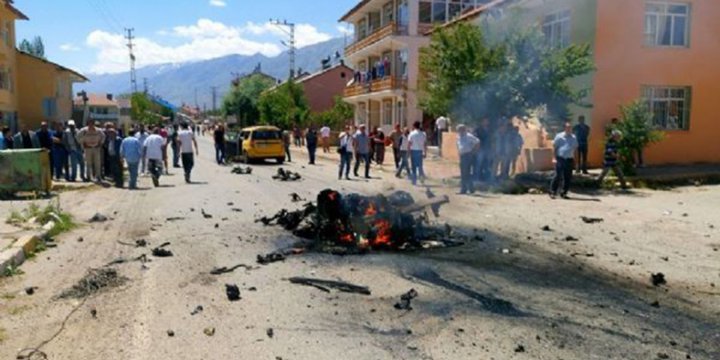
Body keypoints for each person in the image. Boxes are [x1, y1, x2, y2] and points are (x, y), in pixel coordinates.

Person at [550, 122, 579, 199]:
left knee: (568, 177)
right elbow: (554, 148)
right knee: (557, 175)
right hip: (560, 159)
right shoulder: (559, 136)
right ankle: (553, 192)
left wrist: (576, 161)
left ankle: (564, 193)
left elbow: (575, 150)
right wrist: (553, 158)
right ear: (565, 128)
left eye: (570, 127)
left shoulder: (574, 137)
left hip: (569, 159)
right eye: (568, 127)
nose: (569, 129)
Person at [456, 124, 480, 195]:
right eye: (458, 130)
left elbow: (477, 142)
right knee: (464, 173)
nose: (459, 132)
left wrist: (474, 151)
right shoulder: (458, 137)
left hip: (468, 155)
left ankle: (464, 189)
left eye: (460, 130)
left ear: (463, 130)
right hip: (462, 156)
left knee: (465, 173)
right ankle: (470, 188)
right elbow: (458, 145)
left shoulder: (469, 136)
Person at [408, 121, 427, 186]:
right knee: (420, 166)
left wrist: (408, 152)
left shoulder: (412, 134)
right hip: (420, 151)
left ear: (414, 126)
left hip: (413, 151)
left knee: (413, 167)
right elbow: (424, 144)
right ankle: (421, 179)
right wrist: (425, 152)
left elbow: (409, 143)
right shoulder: (423, 134)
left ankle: (414, 181)